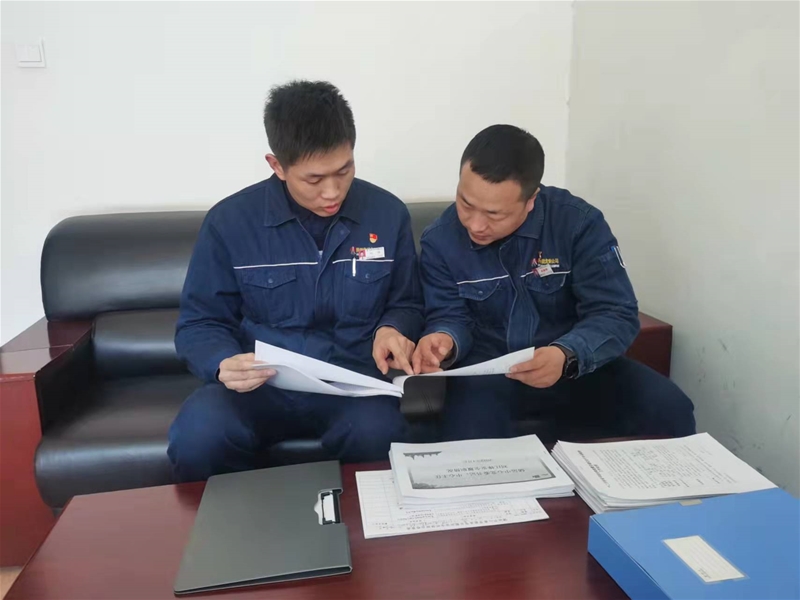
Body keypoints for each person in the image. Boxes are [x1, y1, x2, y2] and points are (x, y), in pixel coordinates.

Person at [168, 81, 423, 481]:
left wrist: (394, 328)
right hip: (261, 387)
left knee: (379, 433)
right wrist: (221, 363)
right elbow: (200, 322)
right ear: (277, 166)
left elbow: (407, 302)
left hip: (351, 384)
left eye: (344, 170)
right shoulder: (230, 223)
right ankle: (234, 520)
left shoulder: (388, 214)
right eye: (314, 179)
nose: (332, 192)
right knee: (199, 436)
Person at [412, 124, 695, 441]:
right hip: (489, 377)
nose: (475, 225)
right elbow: (449, 316)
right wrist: (444, 339)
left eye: (494, 214)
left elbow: (615, 312)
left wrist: (566, 354)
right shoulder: (440, 240)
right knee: (470, 434)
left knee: (670, 408)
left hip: (575, 368)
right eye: (465, 204)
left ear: (531, 200)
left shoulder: (577, 224)